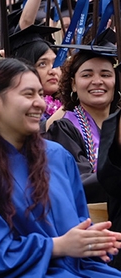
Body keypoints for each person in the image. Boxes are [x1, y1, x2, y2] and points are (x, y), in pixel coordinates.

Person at [0, 58, 121, 278]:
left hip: (74, 272)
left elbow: (78, 228)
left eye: (40, 94)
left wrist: (95, 242)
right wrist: (58, 246)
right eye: (28, 94)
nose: (40, 104)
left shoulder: (57, 157)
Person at [46, 43, 119, 203]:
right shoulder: (64, 129)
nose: (97, 81)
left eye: (106, 75)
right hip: (89, 221)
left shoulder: (119, 126)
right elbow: (79, 180)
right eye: (87, 75)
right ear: (73, 84)